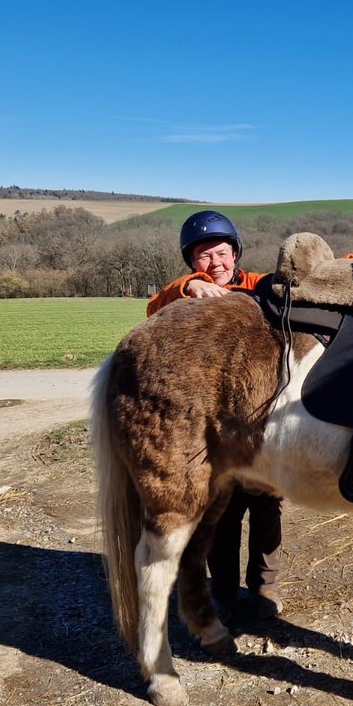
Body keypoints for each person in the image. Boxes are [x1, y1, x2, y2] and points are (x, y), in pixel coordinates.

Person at [145, 211, 284, 622]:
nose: (217, 263)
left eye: (222, 253)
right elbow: (154, 308)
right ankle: (222, 591)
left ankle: (264, 591)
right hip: (213, 428)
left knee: (267, 509)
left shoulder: (257, 285)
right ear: (192, 261)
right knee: (220, 515)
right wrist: (190, 287)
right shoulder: (185, 293)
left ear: (235, 253)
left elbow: (293, 288)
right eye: (205, 257)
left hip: (261, 420)